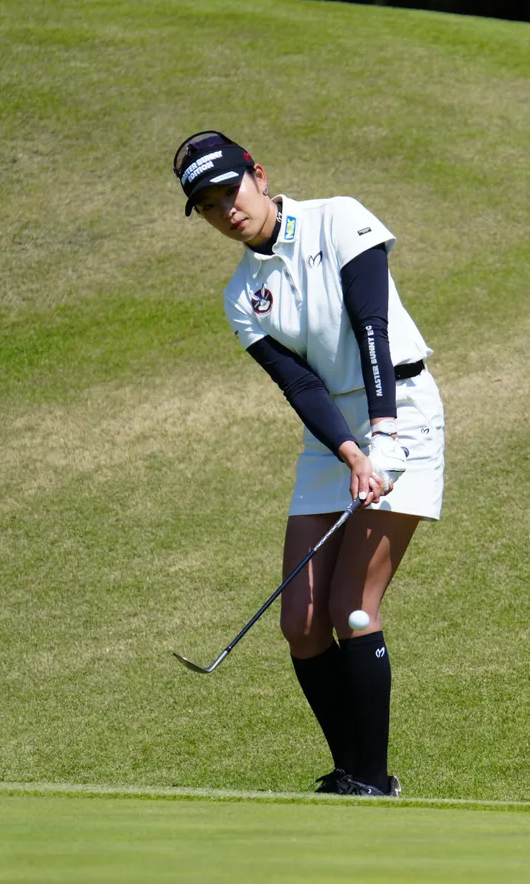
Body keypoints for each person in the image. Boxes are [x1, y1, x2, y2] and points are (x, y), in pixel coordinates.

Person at [172, 131, 445, 797]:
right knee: (301, 619)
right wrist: (351, 451)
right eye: (207, 206)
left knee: (352, 607)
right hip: (334, 439)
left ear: (259, 176)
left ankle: (373, 779)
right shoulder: (242, 296)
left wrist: (383, 436)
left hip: (401, 409)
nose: (225, 211)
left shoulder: (339, 218)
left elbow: (371, 326)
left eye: (230, 192)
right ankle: (349, 768)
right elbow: (301, 386)